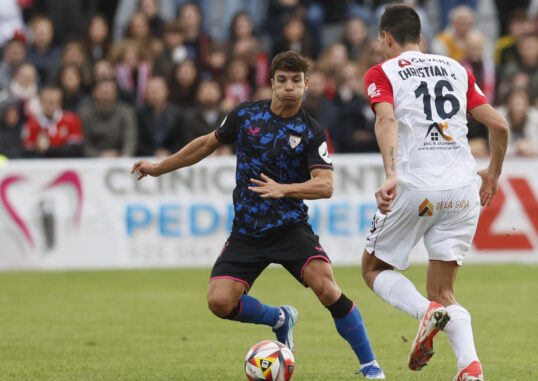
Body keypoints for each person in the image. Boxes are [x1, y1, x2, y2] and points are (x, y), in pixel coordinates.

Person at [130, 51, 386, 379]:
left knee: (327, 288)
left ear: (306, 84)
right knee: (219, 302)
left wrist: (285, 189)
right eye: (282, 80)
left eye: (296, 81)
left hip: (289, 228)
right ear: (272, 83)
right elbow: (206, 145)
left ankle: (371, 367)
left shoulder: (311, 131)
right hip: (247, 230)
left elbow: (325, 186)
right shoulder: (246, 115)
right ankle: (279, 318)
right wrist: (158, 167)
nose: (289, 87)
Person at [361, 5, 509, 381]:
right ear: (421, 39)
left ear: (387, 38)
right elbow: (500, 125)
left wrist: (391, 173)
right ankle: (470, 368)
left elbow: (386, 118)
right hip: (463, 190)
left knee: (374, 268)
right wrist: (492, 173)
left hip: (417, 186)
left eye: (381, 39)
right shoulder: (457, 68)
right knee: (444, 291)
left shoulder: (382, 72)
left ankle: (424, 313)